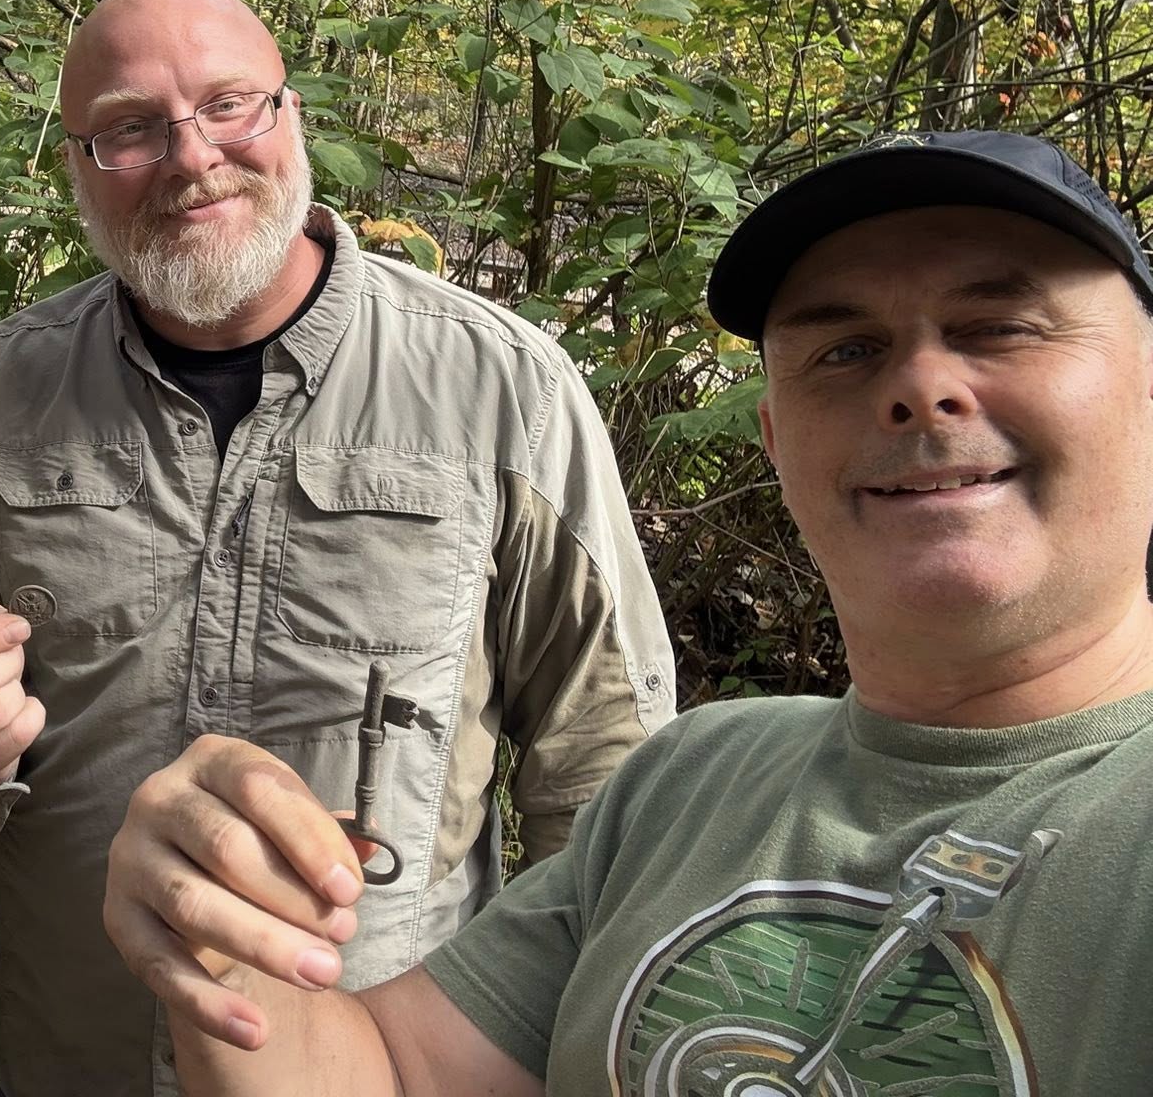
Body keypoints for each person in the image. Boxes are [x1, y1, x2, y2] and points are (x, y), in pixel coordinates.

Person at [101, 128, 1153, 1094]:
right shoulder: (688, 783)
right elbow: (387, 1076)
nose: (919, 386)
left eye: (1000, 328)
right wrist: (226, 935)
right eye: (845, 350)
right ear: (778, 440)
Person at [0, 0, 677, 1094]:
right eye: (130, 129)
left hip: (387, 1069)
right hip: (67, 1057)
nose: (192, 157)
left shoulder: (503, 391)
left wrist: (575, 1046)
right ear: (76, 165)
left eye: (228, 105)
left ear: (291, 114)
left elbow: (605, 760)